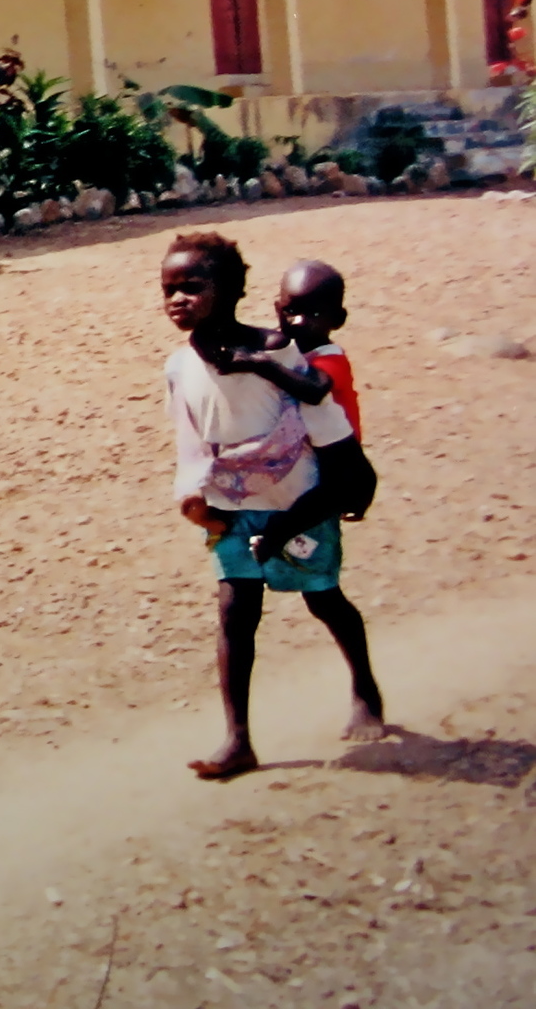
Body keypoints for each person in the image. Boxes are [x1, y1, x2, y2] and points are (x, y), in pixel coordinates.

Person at [160, 233, 381, 782]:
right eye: (169, 289)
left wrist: (354, 479)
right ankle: (238, 740)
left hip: (297, 500)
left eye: (193, 287)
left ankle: (365, 687)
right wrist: (191, 495)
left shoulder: (275, 350)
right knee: (235, 614)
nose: (178, 299)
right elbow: (190, 439)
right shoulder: (179, 365)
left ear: (233, 290)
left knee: (323, 598)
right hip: (231, 506)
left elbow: (322, 417)